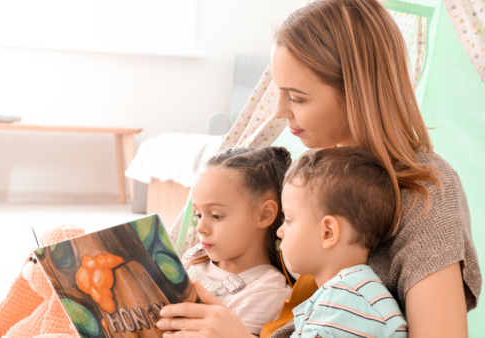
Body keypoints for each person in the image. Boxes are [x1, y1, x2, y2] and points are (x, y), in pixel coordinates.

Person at [156, 0, 481, 337]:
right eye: (279, 93)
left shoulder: (426, 193)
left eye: (297, 98)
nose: (280, 110)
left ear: (357, 92)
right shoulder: (312, 171)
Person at [280, 146, 407, 337]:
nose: (280, 231)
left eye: (288, 220)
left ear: (328, 233)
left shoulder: (340, 304)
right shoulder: (353, 295)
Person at [183, 146, 294, 335]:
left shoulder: (267, 293)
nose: (200, 227)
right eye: (198, 214)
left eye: (216, 216)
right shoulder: (195, 256)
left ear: (264, 214)